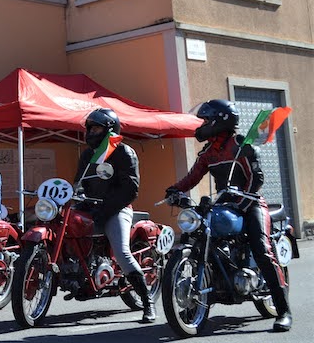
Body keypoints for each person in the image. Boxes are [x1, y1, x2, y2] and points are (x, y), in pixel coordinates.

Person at [165, 99, 292, 332]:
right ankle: (202, 297)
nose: (202, 125)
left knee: (262, 251)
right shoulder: (209, 152)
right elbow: (193, 176)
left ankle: (283, 311)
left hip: (251, 204)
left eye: (206, 120)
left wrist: (243, 202)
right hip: (224, 204)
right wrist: (175, 189)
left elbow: (256, 179)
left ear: (219, 121)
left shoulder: (241, 146)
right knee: (202, 234)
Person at [73, 108, 155, 323]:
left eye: (96, 128)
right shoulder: (88, 154)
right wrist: (77, 195)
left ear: (110, 129)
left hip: (117, 209)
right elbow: (79, 181)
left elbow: (130, 189)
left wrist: (105, 208)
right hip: (90, 207)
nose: (91, 132)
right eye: (90, 128)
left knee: (122, 252)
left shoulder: (123, 152)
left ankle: (148, 302)